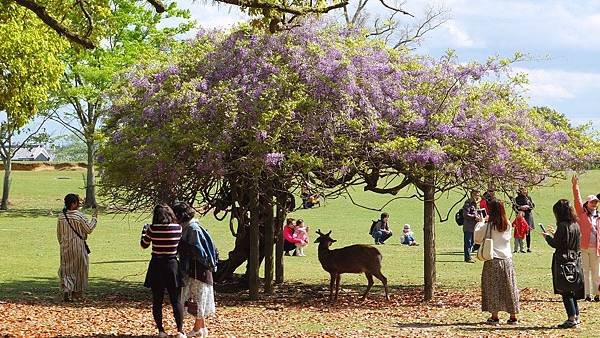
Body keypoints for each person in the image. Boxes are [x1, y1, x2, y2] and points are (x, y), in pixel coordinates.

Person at [172, 202, 217, 338]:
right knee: (198, 298)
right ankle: (201, 328)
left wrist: (181, 245)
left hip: (198, 271)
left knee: (198, 299)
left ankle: (197, 328)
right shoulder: (190, 227)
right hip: (199, 271)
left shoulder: (192, 229)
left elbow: (200, 253)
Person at [140, 204, 186, 338]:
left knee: (157, 300)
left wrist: (144, 232)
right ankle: (180, 330)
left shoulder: (153, 229)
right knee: (176, 300)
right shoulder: (178, 228)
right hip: (172, 265)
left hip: (157, 265)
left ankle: (161, 330)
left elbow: (144, 245)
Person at [474, 199, 519, 325]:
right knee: (509, 288)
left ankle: (494, 316)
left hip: (493, 259)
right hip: (507, 259)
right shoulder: (508, 224)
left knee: (493, 288)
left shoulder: (488, 226)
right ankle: (513, 316)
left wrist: (481, 223)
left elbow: (477, 239)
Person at [542, 199, 584, 329]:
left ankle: (571, 318)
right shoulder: (575, 225)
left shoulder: (562, 226)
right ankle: (576, 316)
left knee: (566, 291)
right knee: (572, 290)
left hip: (563, 261)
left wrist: (547, 237)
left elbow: (556, 244)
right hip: (575, 260)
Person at [57, 193, 97, 302]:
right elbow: (88, 229)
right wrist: (94, 218)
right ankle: (76, 293)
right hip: (78, 245)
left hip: (65, 246)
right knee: (80, 268)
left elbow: (59, 234)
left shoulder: (61, 216)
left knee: (67, 269)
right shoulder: (78, 216)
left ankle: (66, 288)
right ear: (73, 204)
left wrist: (62, 243)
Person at [571, 175, 600, 301]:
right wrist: (575, 186)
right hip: (583, 247)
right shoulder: (582, 213)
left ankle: (597, 294)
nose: (594, 204)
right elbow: (577, 200)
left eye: (595, 202)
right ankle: (587, 295)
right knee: (585, 271)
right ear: (587, 203)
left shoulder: (599, 217)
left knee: (596, 273)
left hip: (596, 249)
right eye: (592, 202)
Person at [513, 188, 535, 252]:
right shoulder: (516, 198)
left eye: (525, 190)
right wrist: (520, 208)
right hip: (520, 217)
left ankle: (528, 248)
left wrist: (528, 207)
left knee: (528, 232)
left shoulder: (528, 198)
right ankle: (519, 248)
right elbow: (514, 207)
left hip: (528, 216)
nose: (524, 192)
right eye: (523, 190)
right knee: (519, 232)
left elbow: (532, 206)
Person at [462, 190, 480, 263]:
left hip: (474, 227)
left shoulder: (476, 204)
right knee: (468, 242)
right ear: (472, 194)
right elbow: (465, 214)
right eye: (475, 194)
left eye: (478, 194)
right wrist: (475, 217)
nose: (477, 196)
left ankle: (469, 256)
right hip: (468, 226)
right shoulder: (468, 203)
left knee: (472, 242)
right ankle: (467, 258)